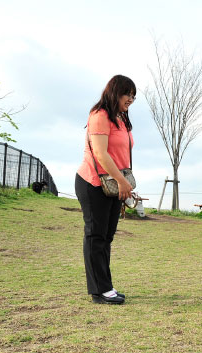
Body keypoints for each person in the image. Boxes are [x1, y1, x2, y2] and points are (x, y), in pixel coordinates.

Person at [75, 75, 136, 304]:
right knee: (96, 235)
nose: (130, 99)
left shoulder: (120, 118)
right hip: (94, 182)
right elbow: (101, 154)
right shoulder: (100, 115)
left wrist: (123, 181)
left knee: (106, 237)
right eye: (127, 94)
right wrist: (122, 181)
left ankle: (106, 286)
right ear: (114, 92)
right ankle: (99, 291)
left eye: (133, 96)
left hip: (114, 184)